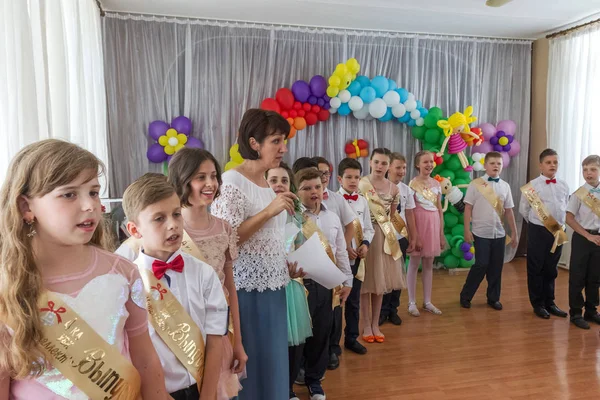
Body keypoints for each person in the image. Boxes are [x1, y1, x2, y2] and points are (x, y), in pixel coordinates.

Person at [0, 139, 169, 399]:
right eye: (69, 194)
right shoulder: (7, 284)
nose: (90, 205)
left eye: (93, 191)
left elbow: (145, 358)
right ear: (26, 207)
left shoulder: (122, 273)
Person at [211, 109, 303, 400]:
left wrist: (285, 265)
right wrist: (268, 211)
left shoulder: (266, 182)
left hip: (275, 286)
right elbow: (226, 243)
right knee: (250, 365)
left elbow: (269, 239)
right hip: (244, 290)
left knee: (274, 363)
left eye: (283, 140)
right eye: (276, 140)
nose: (283, 148)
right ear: (254, 143)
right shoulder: (231, 182)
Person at [123, 173, 228, 400]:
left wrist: (208, 395)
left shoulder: (204, 273)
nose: (173, 225)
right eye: (159, 218)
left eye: (176, 214)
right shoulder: (128, 282)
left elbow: (215, 337)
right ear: (134, 230)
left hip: (202, 388)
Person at [168, 148, 247, 397]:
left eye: (213, 176)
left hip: (217, 330)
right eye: (201, 177)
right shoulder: (169, 229)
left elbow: (229, 288)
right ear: (183, 180)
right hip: (179, 329)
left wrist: (238, 342)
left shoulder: (224, 229)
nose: (210, 183)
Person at [292, 168, 352, 400]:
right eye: (306, 188)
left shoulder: (332, 217)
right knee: (297, 339)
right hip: (300, 285)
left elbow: (341, 252)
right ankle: (289, 386)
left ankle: (314, 381)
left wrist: (346, 280)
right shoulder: (293, 217)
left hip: (326, 285)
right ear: (297, 192)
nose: (313, 192)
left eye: (317, 186)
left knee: (321, 334)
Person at [266, 162, 312, 400]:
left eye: (284, 180)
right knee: (271, 344)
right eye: (273, 180)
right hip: (266, 287)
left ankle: (288, 390)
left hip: (291, 287)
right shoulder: (258, 214)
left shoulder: (295, 217)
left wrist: (300, 266)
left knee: (293, 346)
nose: (278, 185)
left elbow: (300, 248)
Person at [459, 152, 518, 310]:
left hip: (499, 233)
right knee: (481, 264)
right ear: (485, 166)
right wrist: (467, 230)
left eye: (498, 163)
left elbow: (509, 211)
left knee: (496, 267)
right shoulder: (476, 184)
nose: (496, 166)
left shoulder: (505, 186)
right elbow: (468, 208)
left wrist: (514, 233)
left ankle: (493, 298)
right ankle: (466, 295)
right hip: (480, 232)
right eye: (492, 163)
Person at [311, 156, 355, 370]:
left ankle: (332, 350)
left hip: (334, 266)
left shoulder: (337, 199)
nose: (323, 178)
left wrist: (341, 249)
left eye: (326, 174)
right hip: (309, 272)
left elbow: (350, 225)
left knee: (334, 313)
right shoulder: (301, 205)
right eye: (319, 173)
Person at [359, 148, 406, 343]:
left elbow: (391, 217)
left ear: (388, 166)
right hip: (365, 237)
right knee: (365, 283)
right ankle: (365, 324)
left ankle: (376, 324)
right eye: (376, 162)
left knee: (380, 284)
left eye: (384, 163)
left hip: (385, 238)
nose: (380, 166)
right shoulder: (361, 184)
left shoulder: (394, 189)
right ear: (370, 162)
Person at [519, 149, 569, 319]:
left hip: (558, 231)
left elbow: (565, 207)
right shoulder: (532, 186)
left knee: (551, 268)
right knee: (536, 268)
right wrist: (538, 226)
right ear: (540, 165)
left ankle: (550, 302)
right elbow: (524, 210)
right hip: (538, 230)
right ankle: (538, 303)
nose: (552, 165)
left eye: (555, 162)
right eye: (548, 162)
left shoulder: (563, 185)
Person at [337, 158, 374, 355]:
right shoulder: (333, 201)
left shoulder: (362, 201)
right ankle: (333, 345)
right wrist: (343, 248)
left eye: (356, 177)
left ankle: (351, 338)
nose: (353, 181)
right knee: (336, 302)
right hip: (338, 260)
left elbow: (368, 228)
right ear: (339, 178)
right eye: (348, 177)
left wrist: (365, 244)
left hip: (357, 258)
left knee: (354, 301)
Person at [407, 150, 445, 317]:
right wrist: (415, 236)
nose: (429, 164)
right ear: (417, 164)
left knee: (429, 264)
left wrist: (441, 233)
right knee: (414, 263)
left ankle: (427, 301)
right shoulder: (412, 184)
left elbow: (439, 209)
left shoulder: (437, 184)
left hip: (434, 225)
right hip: (419, 225)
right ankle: (411, 301)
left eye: (431, 161)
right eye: (425, 162)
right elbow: (411, 211)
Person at [380, 152, 416, 326]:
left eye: (404, 167)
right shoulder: (378, 187)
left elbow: (410, 214)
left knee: (398, 275)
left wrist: (413, 238)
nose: (402, 171)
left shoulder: (407, 190)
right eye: (398, 167)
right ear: (388, 168)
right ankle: (381, 310)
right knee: (384, 275)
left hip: (401, 237)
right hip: (383, 237)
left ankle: (393, 309)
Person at [565, 155, 600, 329]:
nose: (588, 173)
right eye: (585, 170)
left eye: (593, 169)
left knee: (595, 277)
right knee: (578, 276)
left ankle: (592, 310)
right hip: (583, 238)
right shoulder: (579, 194)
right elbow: (569, 219)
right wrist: (587, 236)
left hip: (599, 239)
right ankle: (576, 313)